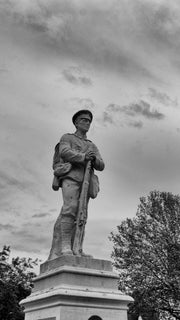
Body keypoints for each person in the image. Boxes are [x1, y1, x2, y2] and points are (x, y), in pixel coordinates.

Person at [48, 110, 105, 260]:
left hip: (86, 180)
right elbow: (65, 152)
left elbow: (101, 164)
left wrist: (94, 160)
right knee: (70, 209)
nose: (87, 123)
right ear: (76, 122)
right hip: (71, 176)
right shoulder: (67, 137)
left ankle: (77, 247)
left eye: (89, 121)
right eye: (83, 120)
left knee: (82, 213)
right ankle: (65, 246)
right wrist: (83, 157)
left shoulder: (91, 145)